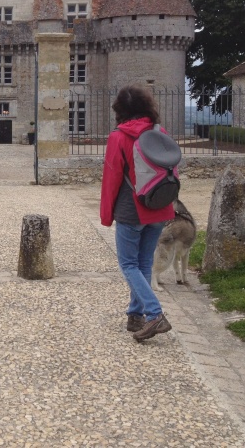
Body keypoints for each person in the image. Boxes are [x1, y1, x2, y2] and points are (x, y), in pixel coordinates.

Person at [100, 84, 175, 342]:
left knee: (128, 264)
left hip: (131, 211)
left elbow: (111, 179)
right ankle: (136, 315)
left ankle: (154, 314)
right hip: (158, 207)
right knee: (143, 264)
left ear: (120, 110)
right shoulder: (160, 132)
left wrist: (106, 215)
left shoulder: (118, 137)